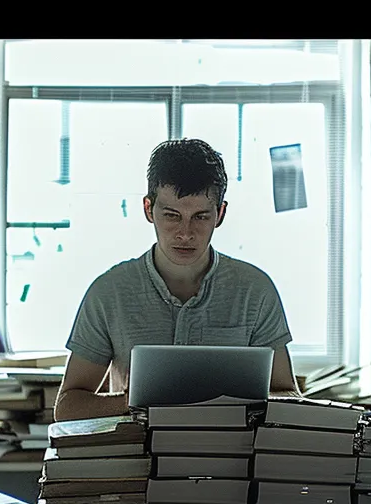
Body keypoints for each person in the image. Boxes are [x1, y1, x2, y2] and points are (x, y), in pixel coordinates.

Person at [55, 138, 301, 421]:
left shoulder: (255, 291)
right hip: (137, 459)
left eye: (200, 217)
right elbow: (67, 408)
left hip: (231, 459)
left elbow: (289, 396)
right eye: (172, 215)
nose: (186, 233)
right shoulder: (109, 293)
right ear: (149, 209)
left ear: (220, 214)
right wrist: (134, 401)